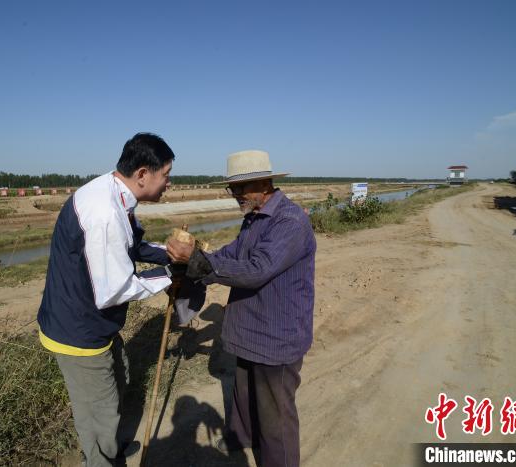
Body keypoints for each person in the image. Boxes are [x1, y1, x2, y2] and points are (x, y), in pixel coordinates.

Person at [37, 133, 181, 467]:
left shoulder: (116, 195)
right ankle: (101, 458)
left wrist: (172, 256)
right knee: (98, 410)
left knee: (117, 382)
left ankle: (109, 447)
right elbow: (114, 290)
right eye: (167, 175)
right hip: (78, 332)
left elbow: (135, 247)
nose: (169, 183)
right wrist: (172, 277)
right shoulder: (105, 212)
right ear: (143, 174)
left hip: (89, 322)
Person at [167, 150, 316, 467]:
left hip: (277, 336)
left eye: (240, 188)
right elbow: (229, 256)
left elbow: (257, 269)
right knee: (244, 392)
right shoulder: (254, 218)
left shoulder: (289, 222)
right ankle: (240, 437)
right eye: (231, 188)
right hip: (250, 329)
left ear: (264, 184)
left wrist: (199, 264)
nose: (234, 195)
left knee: (275, 416)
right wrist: (197, 264)